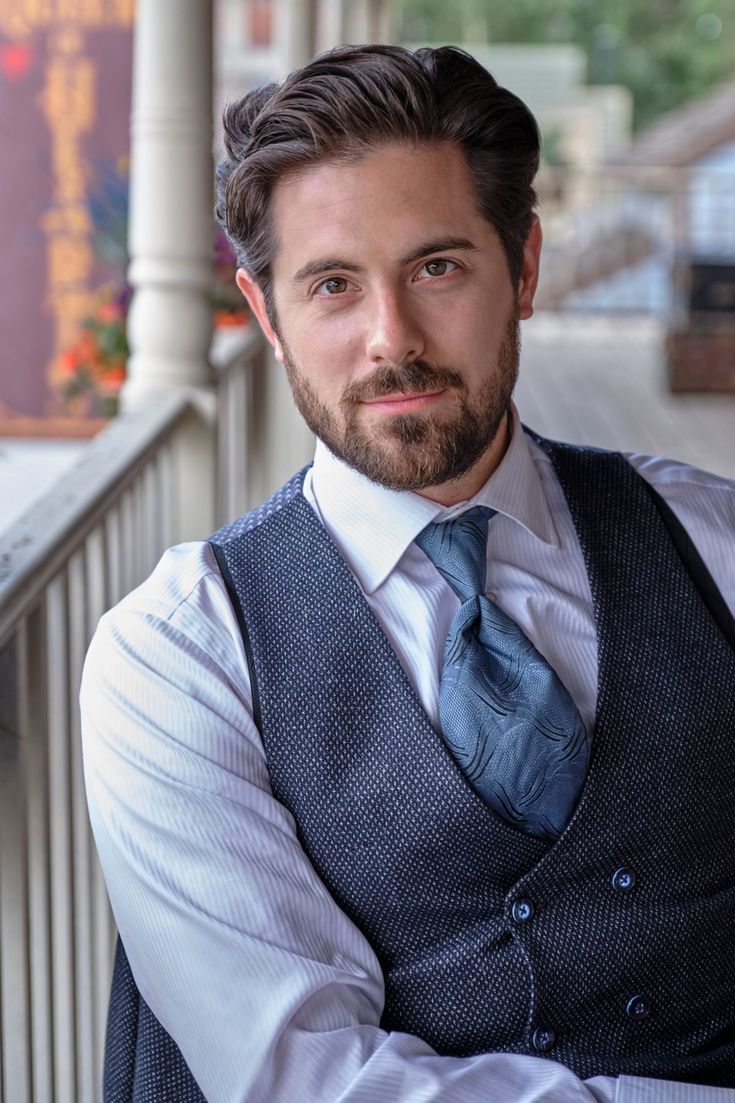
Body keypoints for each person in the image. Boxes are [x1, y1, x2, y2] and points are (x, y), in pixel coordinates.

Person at [81, 44, 735, 1103]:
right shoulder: (178, 654)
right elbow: (304, 1075)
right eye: (332, 284)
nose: (393, 340)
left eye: (438, 267)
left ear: (522, 268)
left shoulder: (712, 542)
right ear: (267, 316)